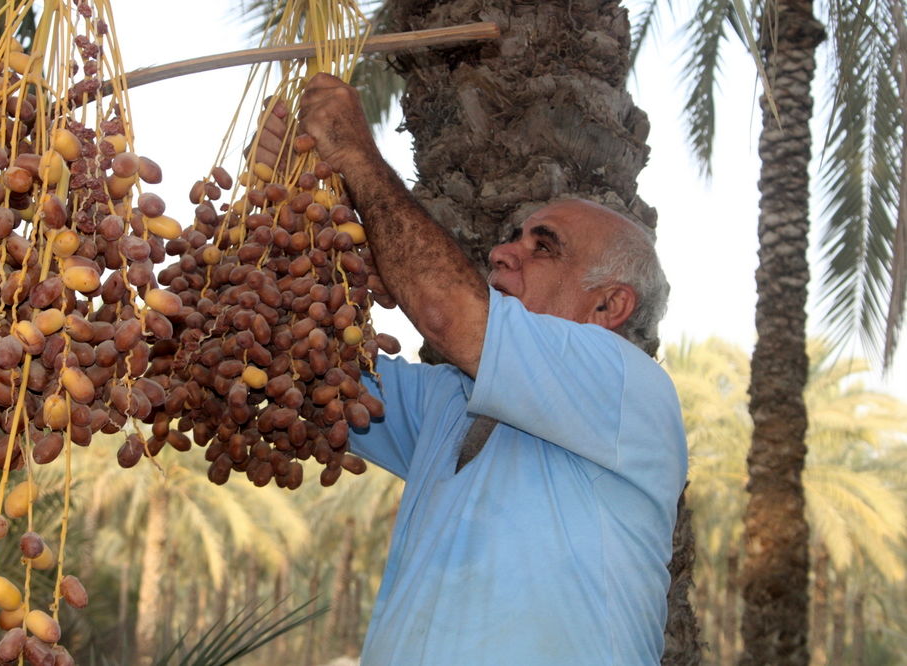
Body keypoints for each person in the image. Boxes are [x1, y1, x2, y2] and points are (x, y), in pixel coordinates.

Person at [256, 73, 688, 665]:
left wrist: (353, 152)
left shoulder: (625, 385)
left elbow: (447, 312)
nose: (503, 252)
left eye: (544, 245)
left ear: (610, 306)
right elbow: (301, 363)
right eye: (513, 238)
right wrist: (283, 195)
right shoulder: (450, 397)